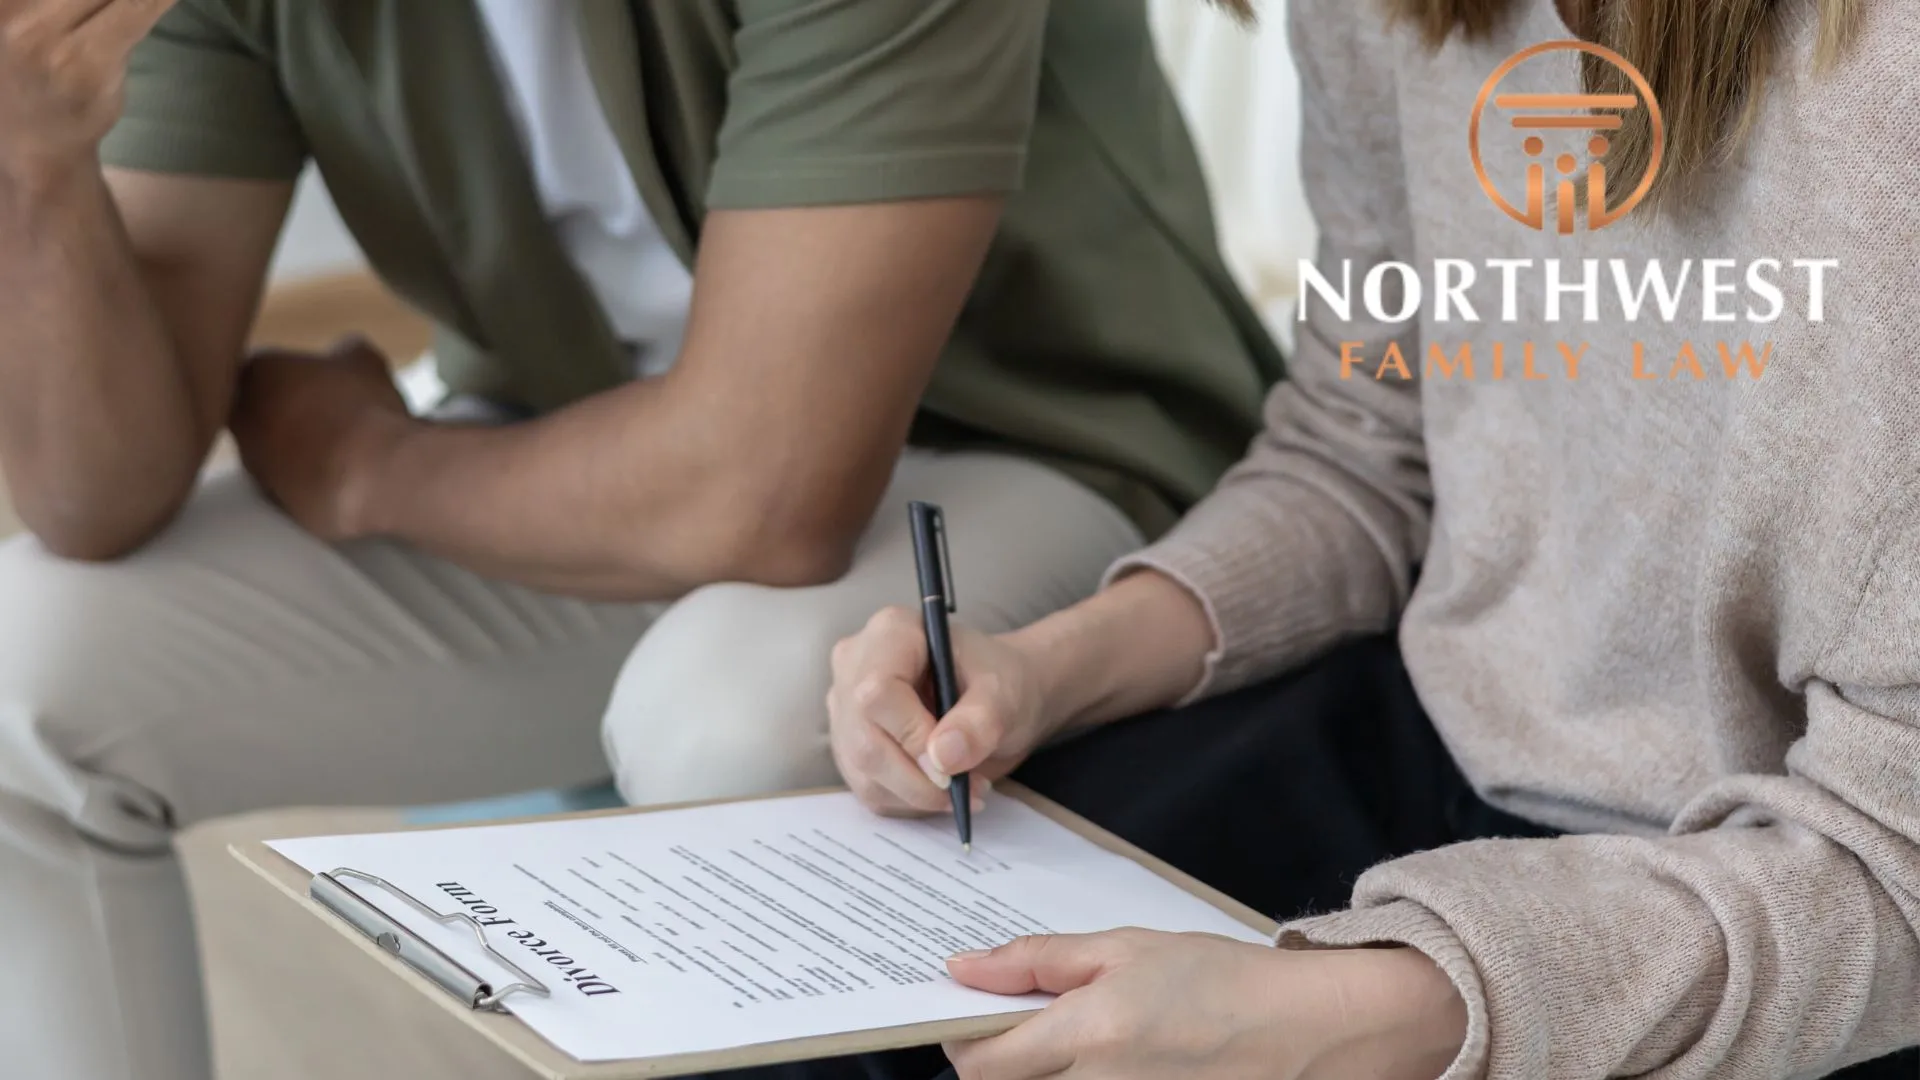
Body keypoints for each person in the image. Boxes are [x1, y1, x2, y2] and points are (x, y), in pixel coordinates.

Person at [0, 0, 1281, 1076]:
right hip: (572, 461)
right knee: (21, 671)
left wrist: (367, 469)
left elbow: (766, 493)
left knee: (728, 720)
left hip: (1025, 447)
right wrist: (38, 157)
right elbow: (93, 498)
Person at [818, 0, 1920, 1076]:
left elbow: (1895, 861)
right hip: (1426, 738)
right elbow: (1363, 445)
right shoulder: (1390, 14)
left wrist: (1350, 1011)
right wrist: (1042, 671)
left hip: (1773, 904)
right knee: (856, 1019)